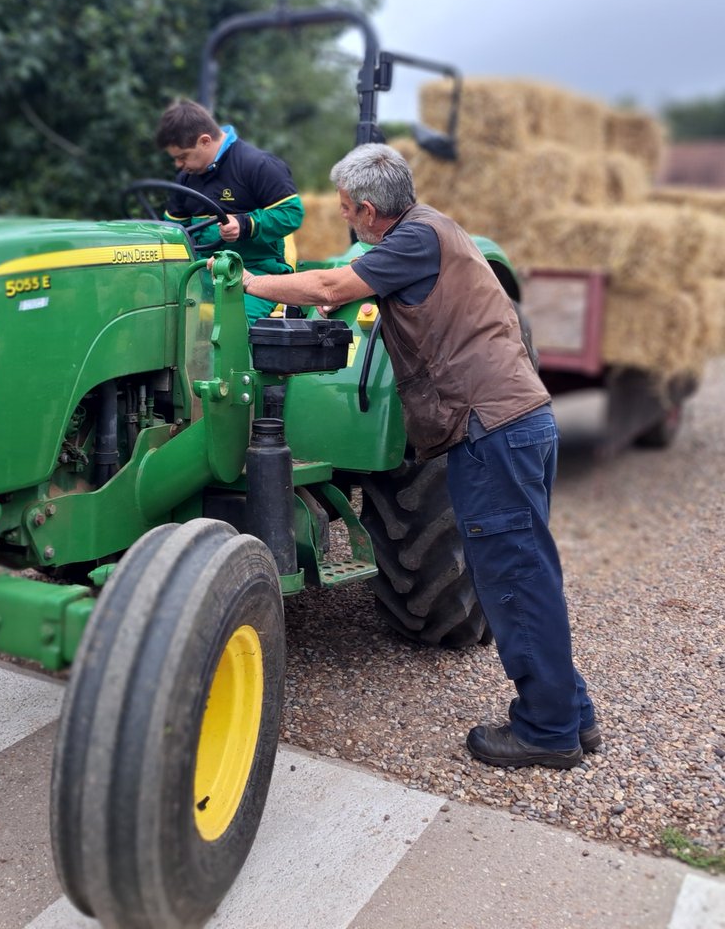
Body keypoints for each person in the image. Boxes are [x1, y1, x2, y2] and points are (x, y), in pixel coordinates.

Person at [227, 141, 600, 770]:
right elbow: (346, 287)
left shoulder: (410, 241)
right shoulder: (430, 228)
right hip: (517, 423)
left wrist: (245, 280)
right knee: (529, 569)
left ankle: (548, 730)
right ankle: (573, 714)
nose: (347, 221)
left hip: (491, 430)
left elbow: (327, 279)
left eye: (348, 211)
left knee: (510, 577)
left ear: (370, 210)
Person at [156, 98, 303, 324]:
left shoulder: (258, 165)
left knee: (232, 326)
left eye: (182, 156)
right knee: (155, 313)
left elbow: (291, 214)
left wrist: (245, 225)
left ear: (205, 141)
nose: (178, 165)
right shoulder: (185, 179)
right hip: (199, 273)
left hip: (254, 273)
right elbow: (173, 231)